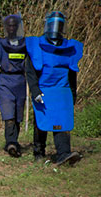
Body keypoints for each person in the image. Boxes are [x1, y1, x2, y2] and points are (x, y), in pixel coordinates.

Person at [25, 11, 83, 165]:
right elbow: (30, 72)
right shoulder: (36, 46)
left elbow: (72, 73)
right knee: (42, 121)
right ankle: (39, 152)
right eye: (53, 25)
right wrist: (35, 90)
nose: (56, 28)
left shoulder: (69, 47)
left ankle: (64, 154)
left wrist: (72, 93)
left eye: (60, 25)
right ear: (47, 25)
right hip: (44, 89)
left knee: (61, 122)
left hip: (62, 91)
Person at [0, 14, 27, 157]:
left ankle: (14, 141)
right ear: (5, 27)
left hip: (20, 82)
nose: (11, 28)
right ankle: (11, 143)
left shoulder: (25, 44)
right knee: (9, 114)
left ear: (18, 27)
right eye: (9, 25)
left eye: (14, 25)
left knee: (18, 116)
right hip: (5, 82)